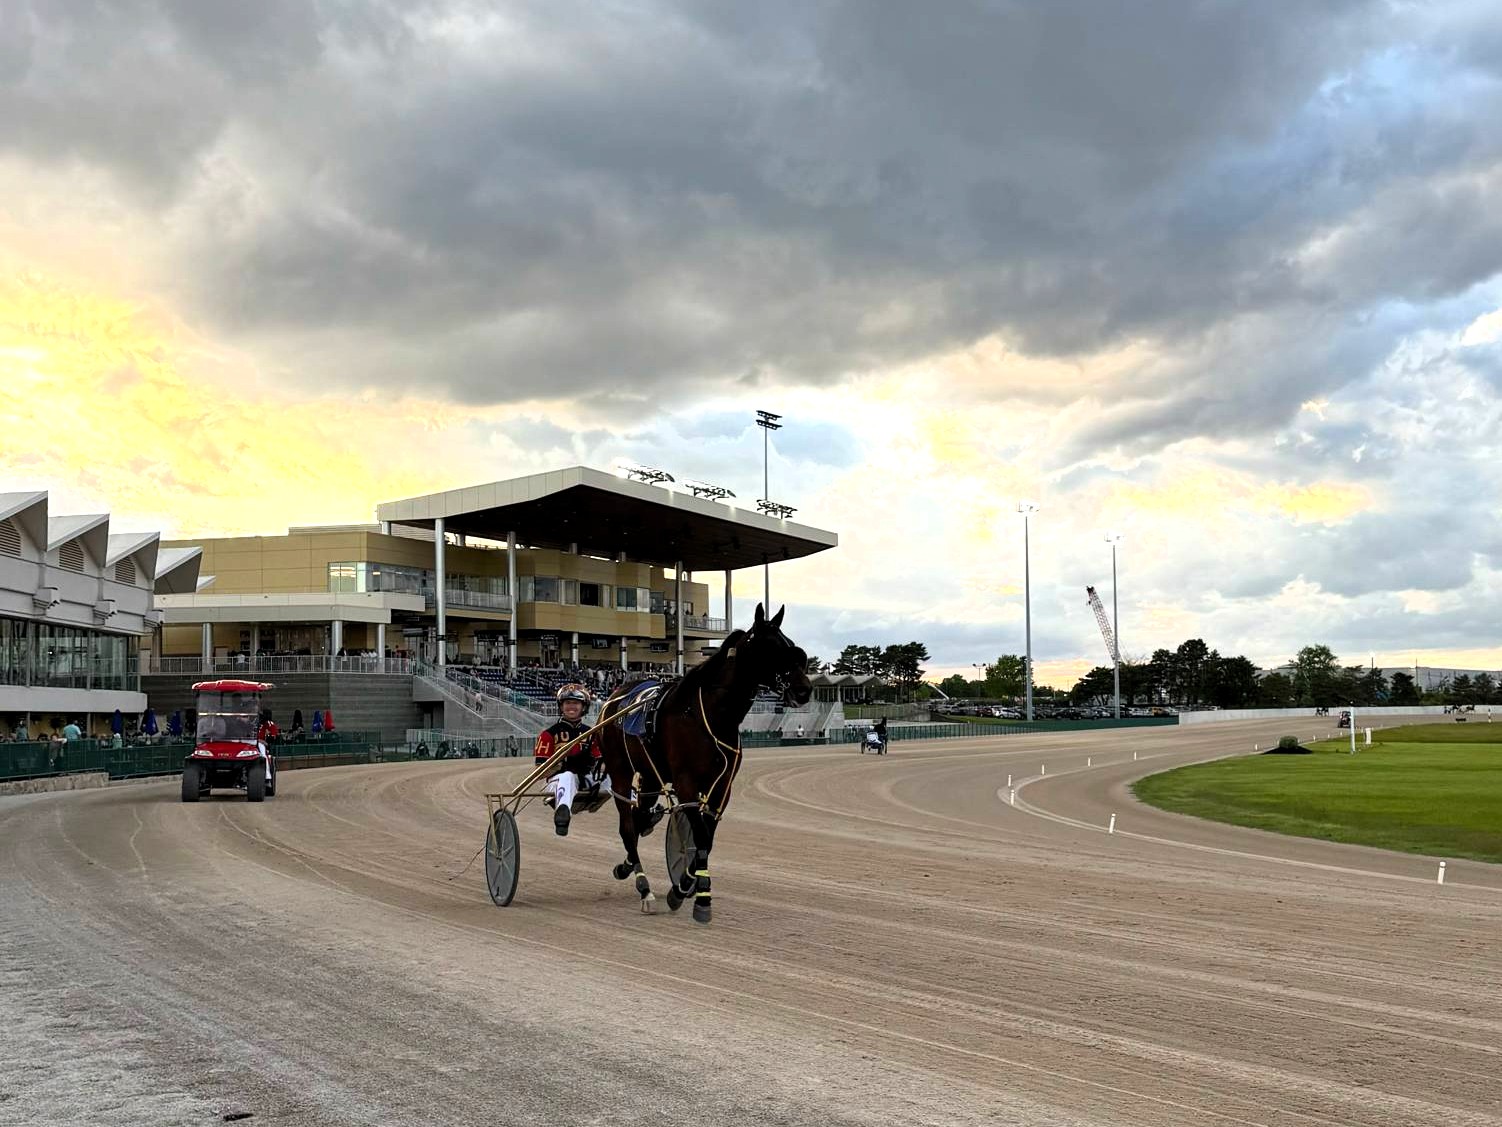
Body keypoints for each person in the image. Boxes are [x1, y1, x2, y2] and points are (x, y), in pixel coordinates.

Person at [533, 683, 605, 837]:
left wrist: (594, 765)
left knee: (614, 775)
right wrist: (563, 765)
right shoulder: (548, 735)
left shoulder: (591, 734)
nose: (571, 707)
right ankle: (562, 816)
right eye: (567, 703)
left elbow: (602, 766)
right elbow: (538, 772)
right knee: (568, 776)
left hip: (584, 780)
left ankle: (641, 811)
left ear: (584, 707)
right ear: (561, 706)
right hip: (556, 782)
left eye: (576, 703)